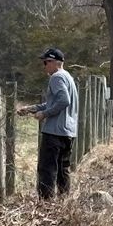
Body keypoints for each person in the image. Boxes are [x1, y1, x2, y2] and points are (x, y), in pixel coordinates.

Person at [17, 47, 79, 199]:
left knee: (47, 168)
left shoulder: (56, 77)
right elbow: (55, 102)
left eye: (45, 62)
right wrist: (32, 109)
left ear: (54, 62)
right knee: (63, 168)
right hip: (68, 132)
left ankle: (46, 203)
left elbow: (64, 100)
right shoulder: (68, 77)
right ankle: (64, 200)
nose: (44, 66)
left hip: (54, 132)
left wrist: (44, 114)